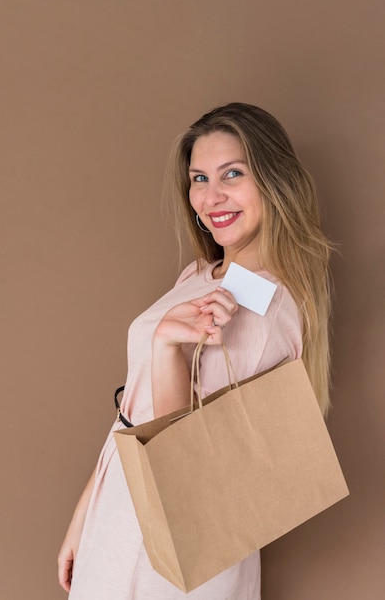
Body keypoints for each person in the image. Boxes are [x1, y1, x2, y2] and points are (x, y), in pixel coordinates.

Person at [57, 103, 332, 599]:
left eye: (232, 174)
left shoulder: (265, 302)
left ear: (273, 181)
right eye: (199, 178)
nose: (211, 196)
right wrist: (86, 515)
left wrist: (167, 348)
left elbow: (189, 462)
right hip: (123, 509)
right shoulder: (199, 277)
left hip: (176, 544)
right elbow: (131, 410)